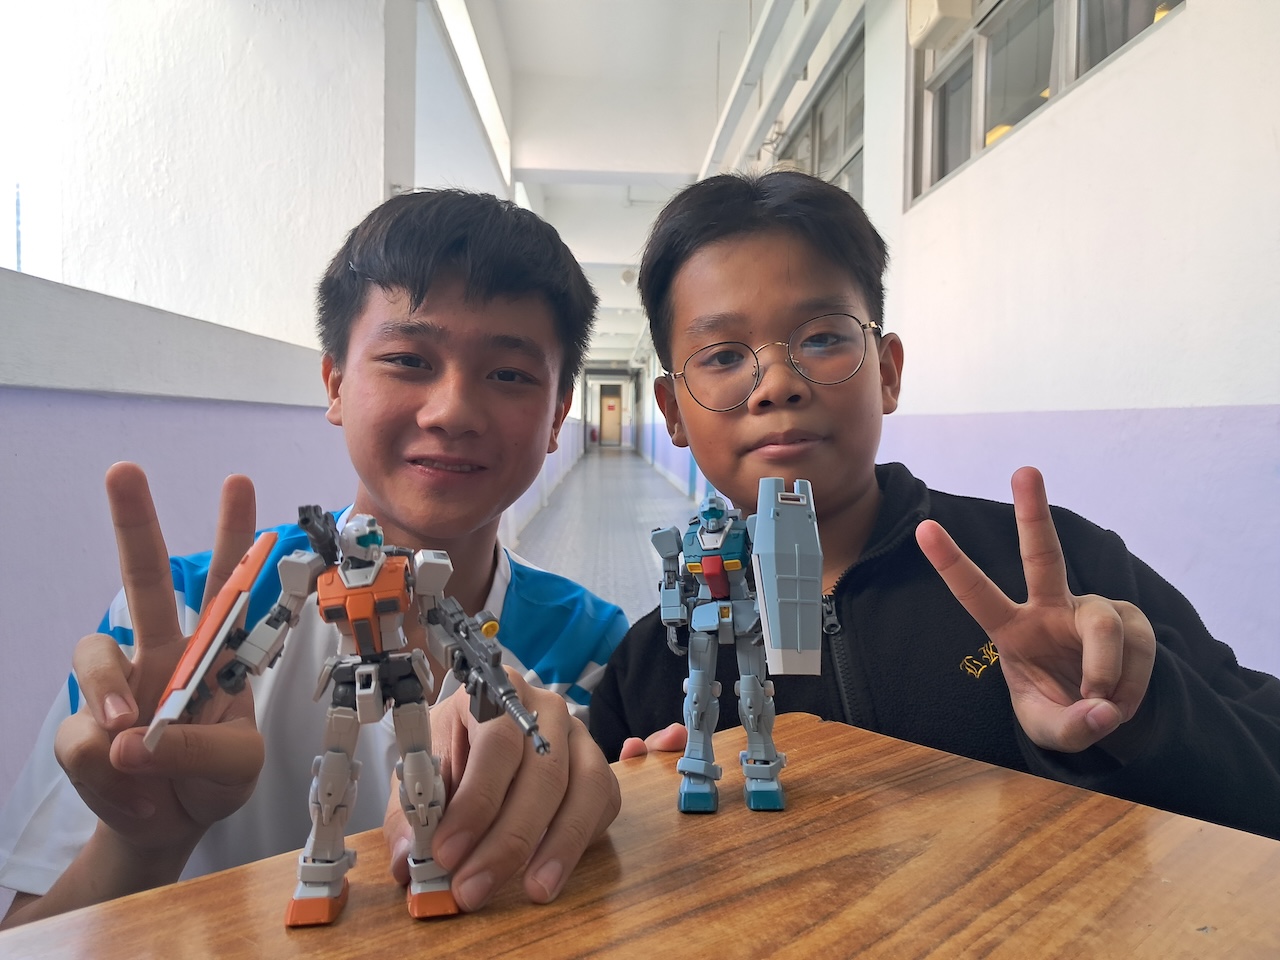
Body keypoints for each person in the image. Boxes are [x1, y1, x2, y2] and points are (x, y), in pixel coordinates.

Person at [0, 188, 631, 928]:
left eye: (510, 374)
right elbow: (28, 936)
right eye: (407, 360)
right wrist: (139, 842)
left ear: (558, 416)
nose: (452, 411)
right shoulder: (181, 620)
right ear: (335, 383)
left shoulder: (593, 647)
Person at [588, 170, 1280, 840]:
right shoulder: (650, 668)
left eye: (821, 338)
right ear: (672, 412)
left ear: (887, 372)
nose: (775, 385)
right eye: (721, 355)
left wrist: (1137, 714)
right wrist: (632, 826)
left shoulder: (1068, 578)